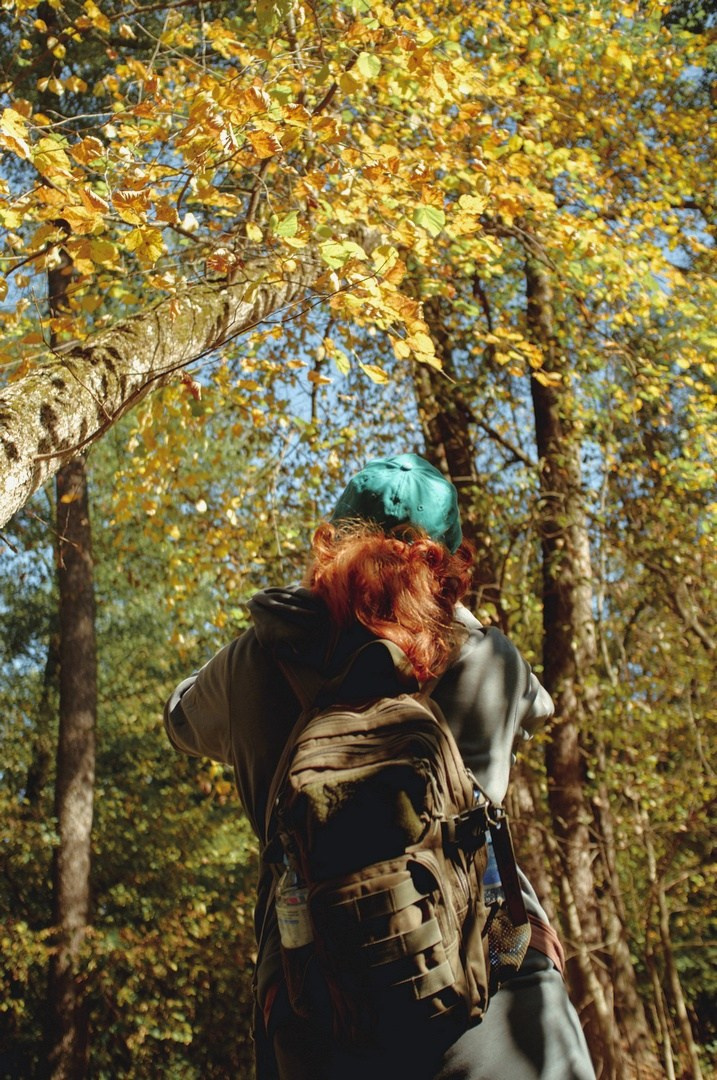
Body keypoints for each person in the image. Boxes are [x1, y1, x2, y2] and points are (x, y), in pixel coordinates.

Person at [164, 453, 596, 1080]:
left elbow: (180, 719)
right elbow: (543, 709)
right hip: (497, 993)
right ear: (446, 563)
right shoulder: (489, 660)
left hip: (316, 1009)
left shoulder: (252, 662)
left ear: (330, 543)